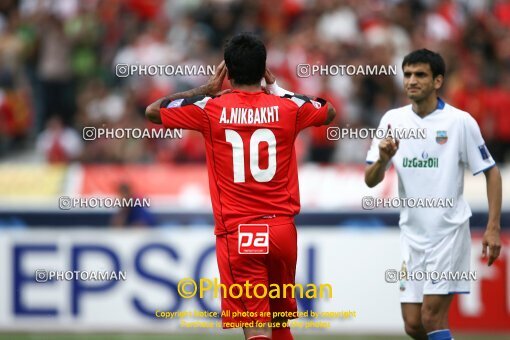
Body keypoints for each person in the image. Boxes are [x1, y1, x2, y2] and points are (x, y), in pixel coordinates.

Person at [145, 33, 335, 340]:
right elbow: (327, 111)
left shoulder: (210, 108)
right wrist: (277, 88)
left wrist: (205, 89)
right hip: (282, 233)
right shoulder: (287, 109)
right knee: (279, 322)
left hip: (240, 233)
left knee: (256, 328)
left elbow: (153, 110)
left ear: (227, 72)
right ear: (263, 70)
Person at [364, 49, 502, 340]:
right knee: (413, 324)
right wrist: (382, 159)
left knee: (432, 316)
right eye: (408, 75)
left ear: (438, 81)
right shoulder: (392, 120)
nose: (412, 81)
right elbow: (370, 180)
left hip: (448, 233)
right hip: (411, 235)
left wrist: (492, 228)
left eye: (420, 75)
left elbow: (492, 172)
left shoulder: (459, 122)